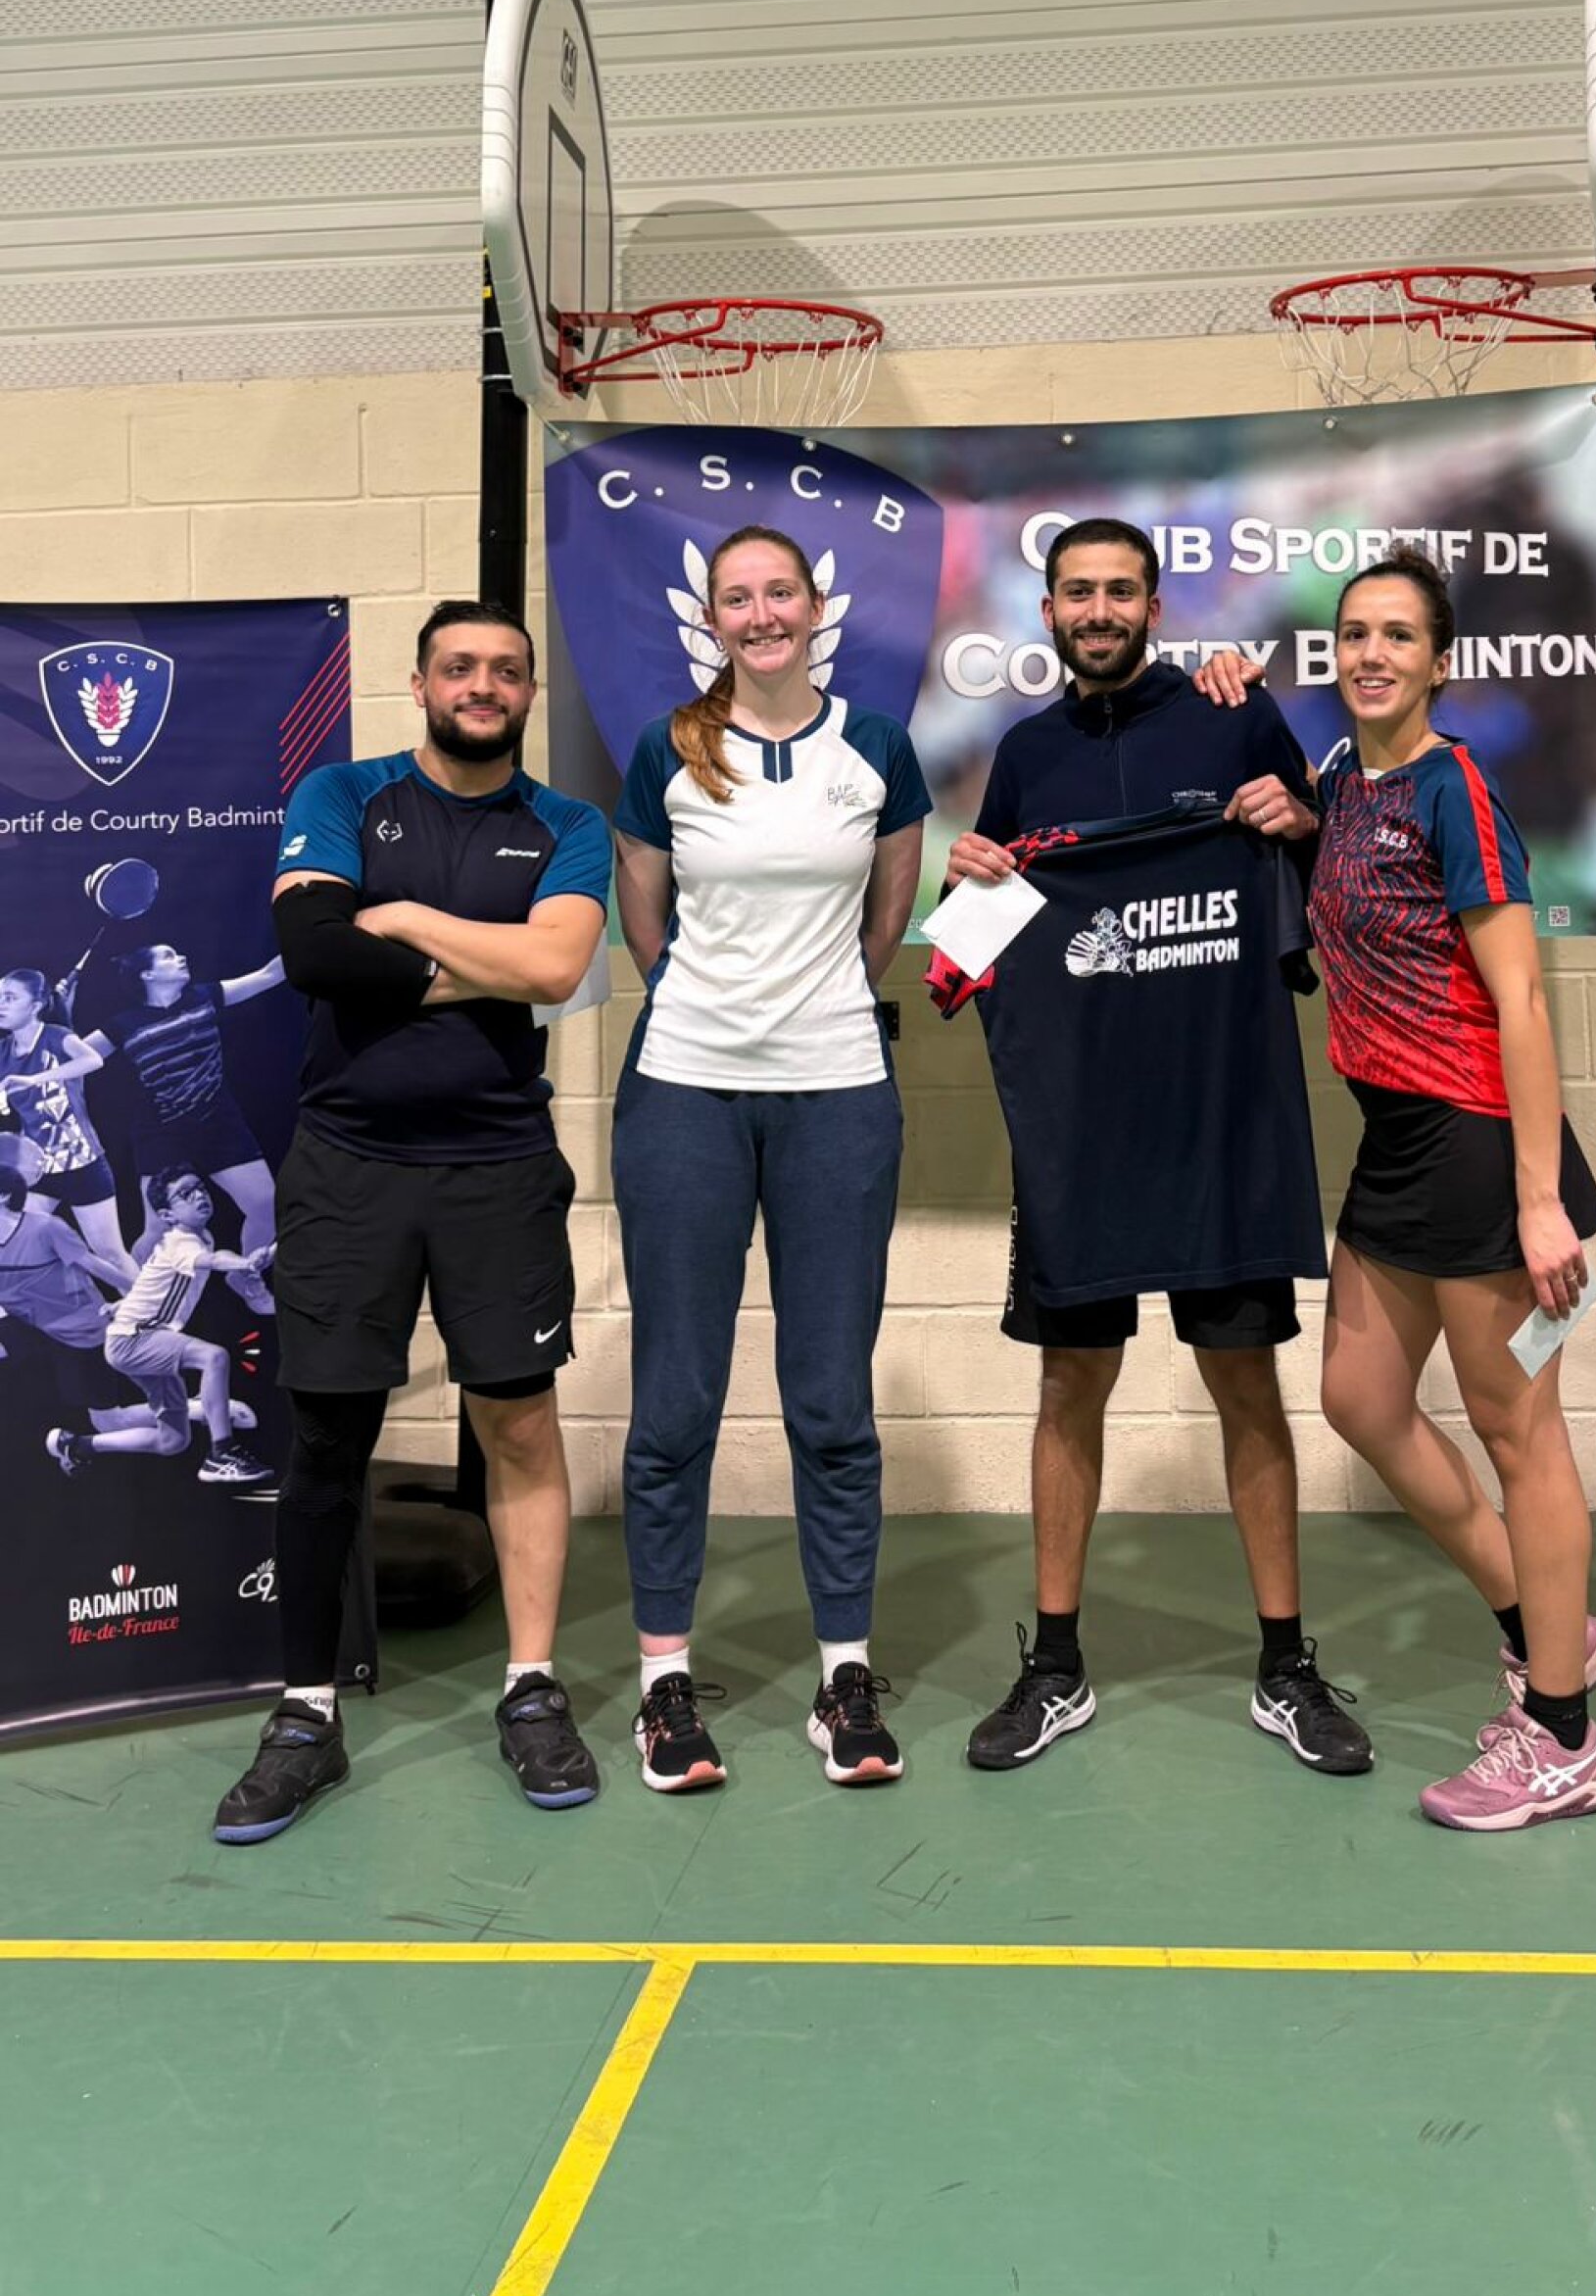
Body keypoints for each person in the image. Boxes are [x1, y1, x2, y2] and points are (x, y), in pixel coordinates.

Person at [944, 516, 1372, 1779]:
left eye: (1120, 590)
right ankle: (1055, 1661)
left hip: (1221, 1121)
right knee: (1069, 1383)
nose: (1099, 608)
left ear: (1155, 605)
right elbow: (970, 944)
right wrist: (966, 874)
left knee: (1246, 1383)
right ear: (1047, 609)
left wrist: (1296, 818)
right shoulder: (1025, 755)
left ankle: (1286, 1660)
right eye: (1078, 590)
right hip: (1080, 1139)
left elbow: (1334, 875)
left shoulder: (1235, 716)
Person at [210, 598, 610, 1846]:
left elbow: (558, 970)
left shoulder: (569, 823)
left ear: (527, 692)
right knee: (330, 1434)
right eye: (459, 666)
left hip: (498, 1166)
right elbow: (313, 951)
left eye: (506, 669)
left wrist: (402, 921)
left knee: (519, 1421)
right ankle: (305, 1713)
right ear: (422, 681)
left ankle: (530, 1687)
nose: (482, 684)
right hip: (348, 1166)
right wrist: (482, 958)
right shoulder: (345, 791)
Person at [1246, 541, 1596, 1831]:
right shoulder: (1345, 778)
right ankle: (1542, 1622)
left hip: (1478, 1142)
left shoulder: (1455, 786)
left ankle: (1562, 1736)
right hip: (1394, 1138)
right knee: (1359, 1395)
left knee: (1522, 1434)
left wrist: (1537, 1196)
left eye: (1398, 635)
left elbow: (1522, 999)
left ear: (1439, 662)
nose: (1371, 653)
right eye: (1355, 633)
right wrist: (1293, 811)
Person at [611, 524, 930, 1794]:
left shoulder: (876, 746)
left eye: (778, 592)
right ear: (712, 618)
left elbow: (890, 906)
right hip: (685, 1088)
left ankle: (844, 1675)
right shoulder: (667, 748)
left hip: (838, 1090)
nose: (761, 614)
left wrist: (816, 1007)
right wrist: (715, 1010)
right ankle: (664, 1684)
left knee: (831, 1401)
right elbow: (644, 911)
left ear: (813, 605)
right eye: (736, 597)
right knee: (676, 1400)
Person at [46, 1163, 274, 1485]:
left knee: (173, 1441)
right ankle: (222, 1452)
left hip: (138, 1338)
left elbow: (149, 1284)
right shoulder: (183, 1243)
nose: (199, 1195)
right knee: (214, 1357)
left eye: (200, 1188)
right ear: (167, 1215)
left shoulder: (199, 1238)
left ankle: (79, 1446)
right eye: (185, 1194)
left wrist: (122, 1306)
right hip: (136, 1340)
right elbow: (215, 1260)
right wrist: (245, 1262)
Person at [81, 940, 285, 1262]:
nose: (182, 957)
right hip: (162, 1132)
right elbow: (73, 1056)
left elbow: (269, 975)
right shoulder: (123, 1025)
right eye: (169, 956)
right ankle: (132, 1289)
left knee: (266, 1205)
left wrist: (312, 934)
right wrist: (57, 1016)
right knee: (158, 1229)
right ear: (147, 974)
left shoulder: (205, 997)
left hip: (218, 1124)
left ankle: (244, 1275)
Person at [0, 967, 131, 1279]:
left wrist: (34, 1079)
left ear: (35, 1005)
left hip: (81, 1164)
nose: (1, 1005)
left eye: (10, 998)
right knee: (10, 1241)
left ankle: (150, 1305)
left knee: (110, 1253)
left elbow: (93, 1060)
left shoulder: (56, 1037)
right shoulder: (3, 1052)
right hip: (37, 1170)